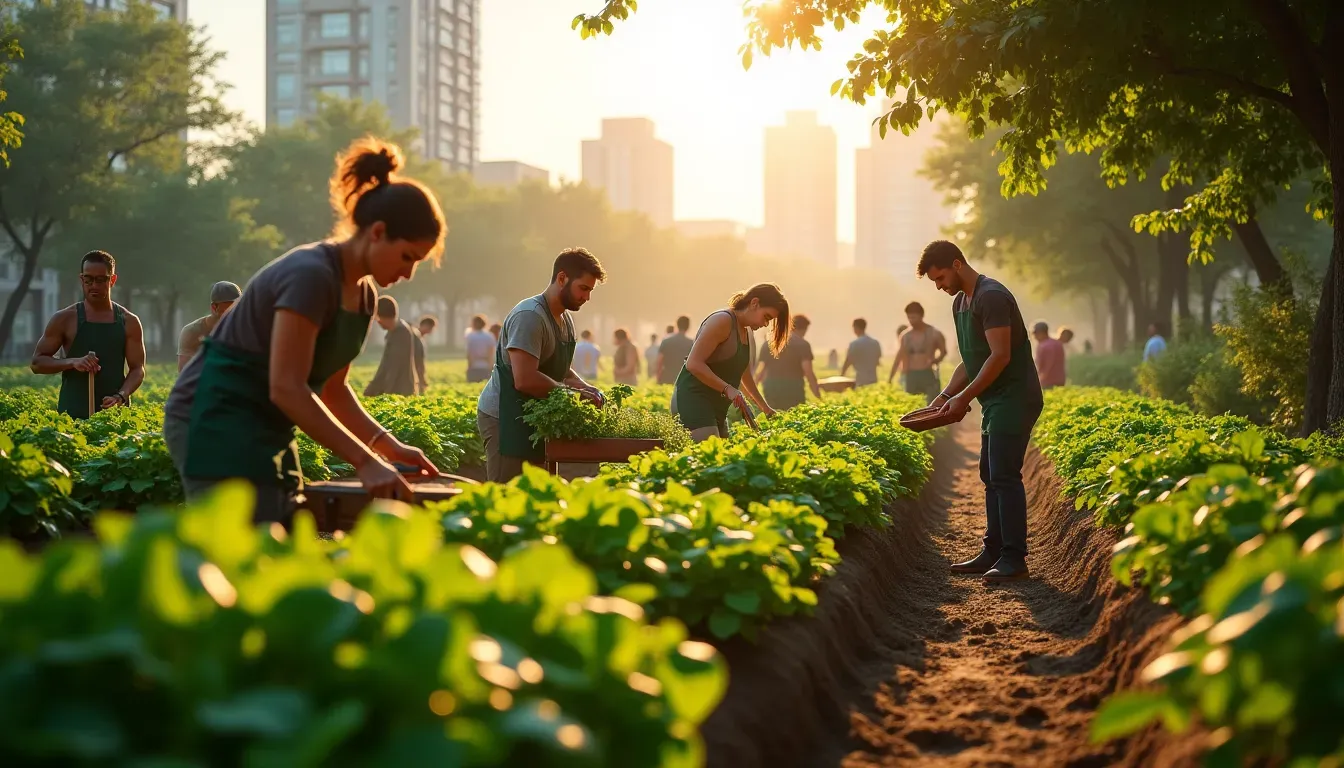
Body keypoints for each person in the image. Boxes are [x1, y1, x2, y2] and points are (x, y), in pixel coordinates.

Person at [162, 138, 445, 523]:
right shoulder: (311, 276)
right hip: (213, 418)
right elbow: (287, 386)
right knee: (241, 547)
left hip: (267, 426)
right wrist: (365, 463)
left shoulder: (364, 298)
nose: (409, 272)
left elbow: (333, 389)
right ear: (377, 232)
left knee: (280, 533)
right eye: (408, 256)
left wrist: (387, 446)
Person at [918, 240, 1043, 582]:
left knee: (1004, 475)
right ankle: (993, 550)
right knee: (990, 475)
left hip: (1016, 396)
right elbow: (972, 360)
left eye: (941, 277)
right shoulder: (961, 302)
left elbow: (1000, 355)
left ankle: (1014, 558)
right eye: (935, 282)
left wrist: (963, 399)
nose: (940, 286)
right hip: (995, 400)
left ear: (957, 264)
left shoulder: (991, 297)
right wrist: (945, 395)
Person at [476, 248, 607, 482]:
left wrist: (586, 388)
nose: (587, 297)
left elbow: (559, 369)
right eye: (583, 288)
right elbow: (525, 378)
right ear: (562, 278)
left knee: (539, 490)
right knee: (507, 491)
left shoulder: (565, 319)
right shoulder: (530, 317)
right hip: (505, 417)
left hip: (533, 414)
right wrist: (573, 396)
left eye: (590, 291)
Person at [31, 250, 147, 419]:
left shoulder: (129, 321)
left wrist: (121, 395)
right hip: (72, 412)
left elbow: (137, 369)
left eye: (101, 280)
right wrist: (73, 362)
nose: (94, 285)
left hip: (114, 414)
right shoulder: (64, 318)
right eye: (88, 279)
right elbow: (37, 363)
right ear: (81, 279)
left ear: (112, 280)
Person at [673, 284, 789, 442]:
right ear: (754, 303)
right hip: (693, 397)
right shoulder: (722, 320)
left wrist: (765, 408)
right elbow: (693, 364)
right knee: (708, 458)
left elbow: (744, 374)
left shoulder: (747, 331)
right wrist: (728, 389)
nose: (765, 324)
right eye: (767, 317)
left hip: (718, 404)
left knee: (722, 458)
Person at [757, 314, 821, 410]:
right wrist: (818, 396)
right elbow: (808, 372)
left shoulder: (769, 343)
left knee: (773, 419)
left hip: (771, 387)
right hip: (793, 388)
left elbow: (761, 370)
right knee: (793, 418)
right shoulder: (803, 344)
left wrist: (752, 394)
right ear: (804, 329)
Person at [364, 296, 423, 396]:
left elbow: (393, 366)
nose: (377, 322)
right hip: (397, 389)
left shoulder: (401, 332)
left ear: (381, 316)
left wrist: (380, 390)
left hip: (400, 391)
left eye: (376, 318)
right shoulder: (396, 331)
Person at [178, 281, 242, 371]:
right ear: (214, 307)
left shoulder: (244, 330)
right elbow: (184, 371)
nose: (232, 312)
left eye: (236, 307)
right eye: (227, 309)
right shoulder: (193, 331)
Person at [890, 302, 947, 402]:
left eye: (914, 317)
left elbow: (943, 352)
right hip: (911, 375)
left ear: (921, 316)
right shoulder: (905, 336)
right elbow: (899, 357)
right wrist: (891, 378)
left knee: (931, 405)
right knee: (912, 406)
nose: (911, 321)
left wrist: (935, 361)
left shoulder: (934, 333)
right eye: (909, 318)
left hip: (927, 374)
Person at [841, 318, 883, 387]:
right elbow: (877, 360)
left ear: (855, 328)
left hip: (861, 380)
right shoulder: (875, 343)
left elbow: (848, 361)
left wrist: (842, 375)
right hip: (873, 379)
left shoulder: (854, 344)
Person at [656, 315, 694, 385]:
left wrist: (658, 376)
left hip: (667, 376)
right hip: (683, 378)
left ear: (677, 325)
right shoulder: (691, 343)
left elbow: (659, 361)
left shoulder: (666, 341)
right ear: (688, 327)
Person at [1033, 320, 1066, 389]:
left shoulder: (1043, 346)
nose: (1034, 337)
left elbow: (1046, 365)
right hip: (1060, 380)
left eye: (1035, 334)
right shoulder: (1058, 343)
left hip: (1047, 382)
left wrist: (1040, 378)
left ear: (1041, 333)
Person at [464, 314, 495, 383]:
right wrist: (491, 367)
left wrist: (469, 367)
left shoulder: (470, 336)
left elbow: (469, 354)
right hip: (486, 367)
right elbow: (491, 354)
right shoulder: (489, 336)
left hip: (474, 367)